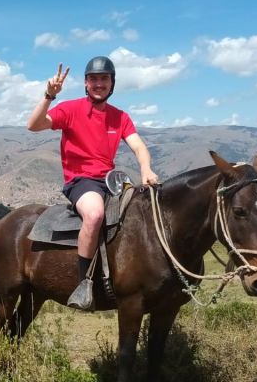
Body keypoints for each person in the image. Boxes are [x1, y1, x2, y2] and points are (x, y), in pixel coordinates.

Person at [27, 56, 159, 310]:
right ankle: (84, 282)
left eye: (104, 79)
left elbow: (139, 146)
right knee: (95, 213)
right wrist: (48, 95)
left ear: (112, 83)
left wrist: (146, 168)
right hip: (81, 181)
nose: (99, 84)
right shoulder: (70, 109)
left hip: (111, 181)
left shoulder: (120, 117)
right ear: (86, 83)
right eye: (94, 79)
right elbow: (34, 125)